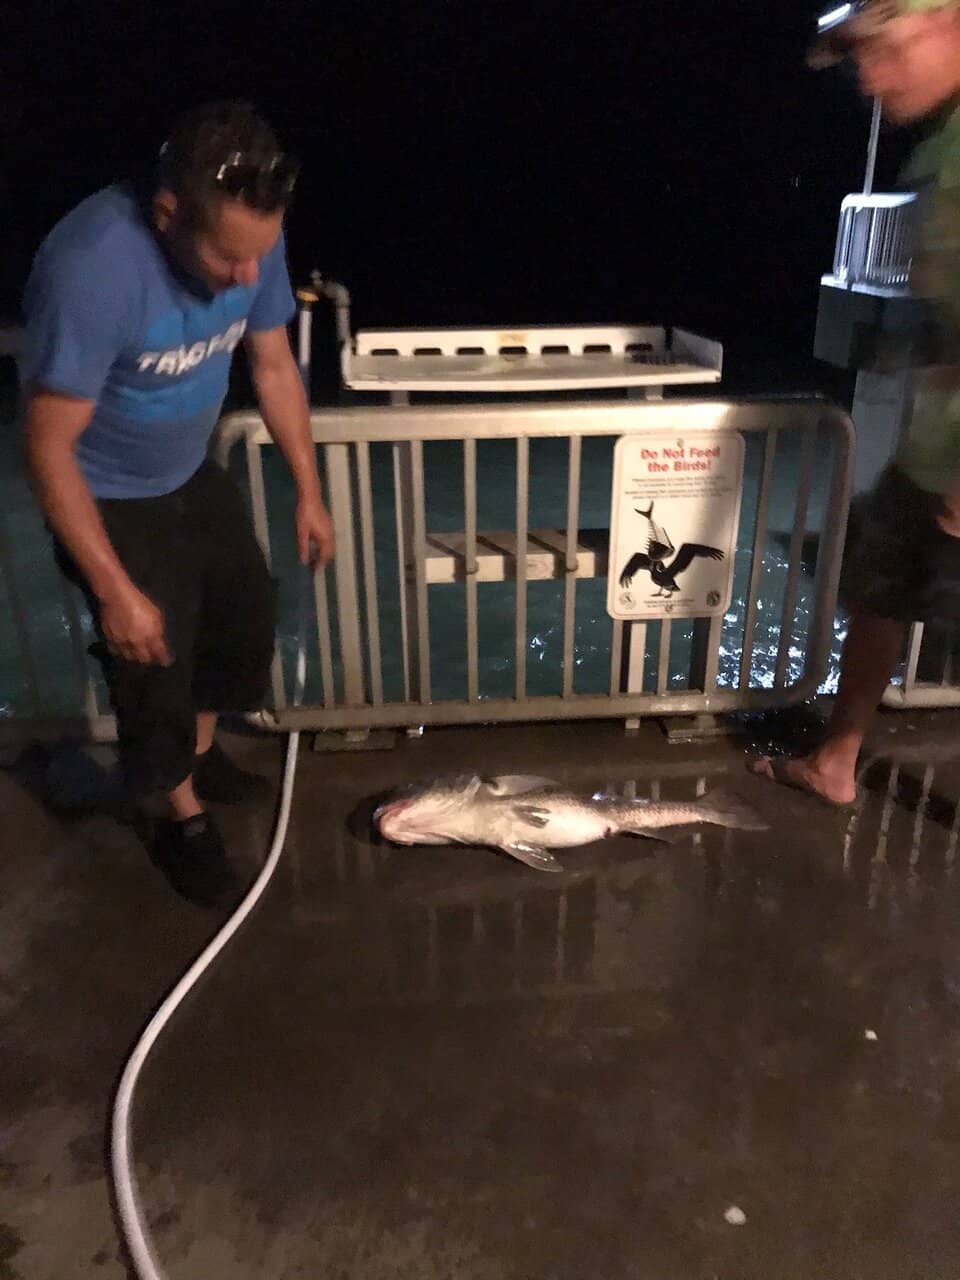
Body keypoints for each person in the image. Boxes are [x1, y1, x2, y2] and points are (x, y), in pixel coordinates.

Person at [22, 101, 335, 906]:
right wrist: (114, 589)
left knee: (241, 629)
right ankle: (176, 812)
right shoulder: (92, 267)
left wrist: (308, 491)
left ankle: (191, 758)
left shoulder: (253, 244)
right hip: (109, 495)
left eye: (259, 258)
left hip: (190, 473)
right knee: (152, 667)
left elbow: (272, 368)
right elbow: (48, 448)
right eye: (230, 259)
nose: (247, 279)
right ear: (168, 215)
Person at [751, 0, 960, 807]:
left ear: (945, 21)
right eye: (856, 60)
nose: (868, 77)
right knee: (878, 590)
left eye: (883, 49)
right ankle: (836, 760)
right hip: (928, 443)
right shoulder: (941, 144)